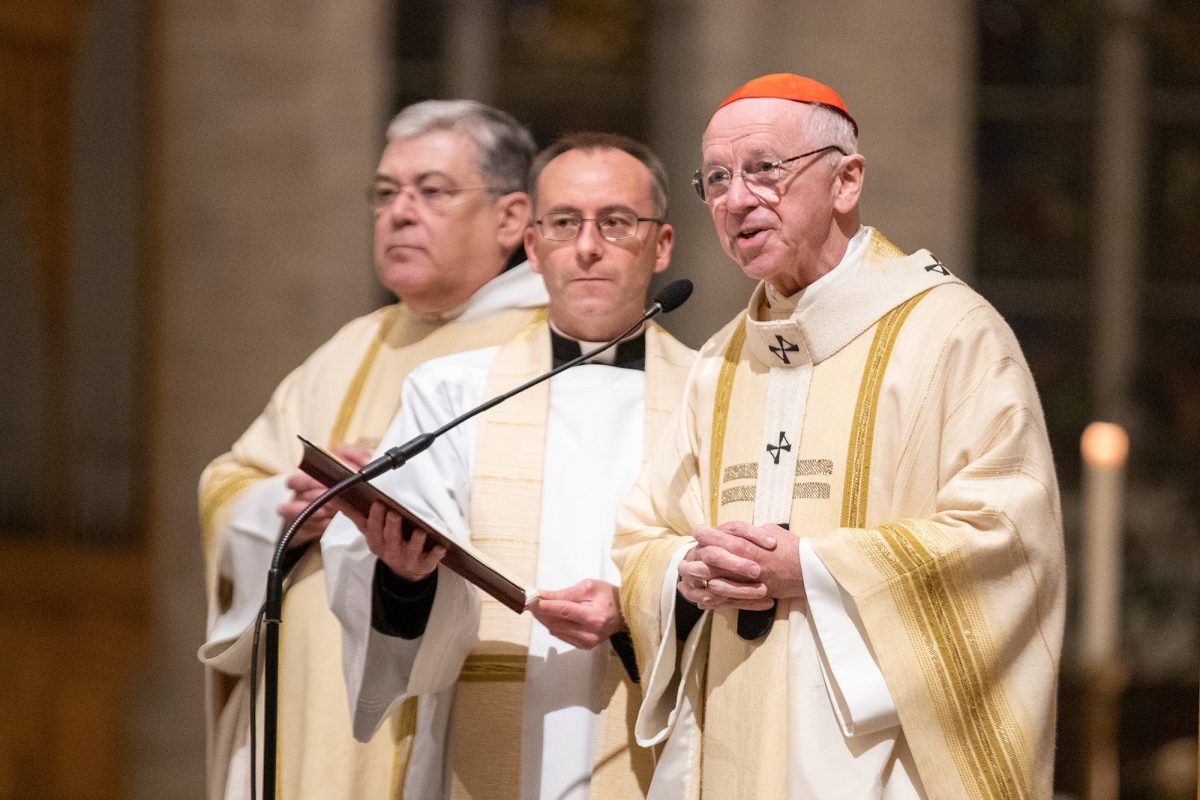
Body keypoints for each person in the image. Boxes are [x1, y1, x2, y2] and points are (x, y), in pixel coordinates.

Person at [613, 73, 1065, 799]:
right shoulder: (723, 361)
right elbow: (645, 536)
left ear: (846, 181)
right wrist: (684, 576)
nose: (734, 201)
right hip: (732, 728)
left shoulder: (950, 333)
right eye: (717, 179)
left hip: (878, 758)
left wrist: (813, 568)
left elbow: (1009, 536)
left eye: (763, 169)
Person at [321, 132, 696, 800]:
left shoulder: (714, 399)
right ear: (531, 247)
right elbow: (382, 572)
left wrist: (637, 608)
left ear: (661, 245)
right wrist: (405, 579)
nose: (588, 246)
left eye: (615, 222)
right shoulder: (455, 392)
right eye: (563, 223)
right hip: (480, 748)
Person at [197, 100, 550, 800]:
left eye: (432, 191)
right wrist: (289, 506)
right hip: (302, 703)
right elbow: (227, 480)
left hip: (440, 703)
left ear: (512, 219)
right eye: (386, 193)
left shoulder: (546, 352)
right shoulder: (355, 345)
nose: (400, 212)